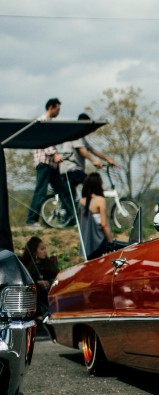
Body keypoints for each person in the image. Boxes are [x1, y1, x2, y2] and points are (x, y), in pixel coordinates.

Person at [57, 113, 119, 225]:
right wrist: (94, 161)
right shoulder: (75, 133)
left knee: (71, 196)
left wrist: (108, 159)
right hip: (70, 168)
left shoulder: (81, 136)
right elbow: (82, 150)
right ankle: (89, 210)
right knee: (90, 184)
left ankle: (72, 218)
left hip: (71, 169)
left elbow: (92, 149)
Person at [26, 98, 65, 229]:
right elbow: (43, 141)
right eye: (58, 109)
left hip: (52, 164)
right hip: (44, 162)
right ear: (51, 107)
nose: (58, 112)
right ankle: (31, 221)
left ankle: (70, 219)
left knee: (62, 190)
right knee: (40, 191)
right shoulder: (42, 121)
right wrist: (55, 154)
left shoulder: (49, 122)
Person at [19, 236, 59, 321]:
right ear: (34, 251)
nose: (44, 251)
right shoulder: (26, 264)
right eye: (41, 249)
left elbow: (58, 278)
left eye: (44, 248)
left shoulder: (50, 263)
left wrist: (49, 282)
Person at [78, 172, 114, 259]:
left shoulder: (80, 202)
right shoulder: (100, 200)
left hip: (86, 246)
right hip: (99, 244)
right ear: (98, 185)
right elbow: (104, 225)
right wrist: (111, 242)